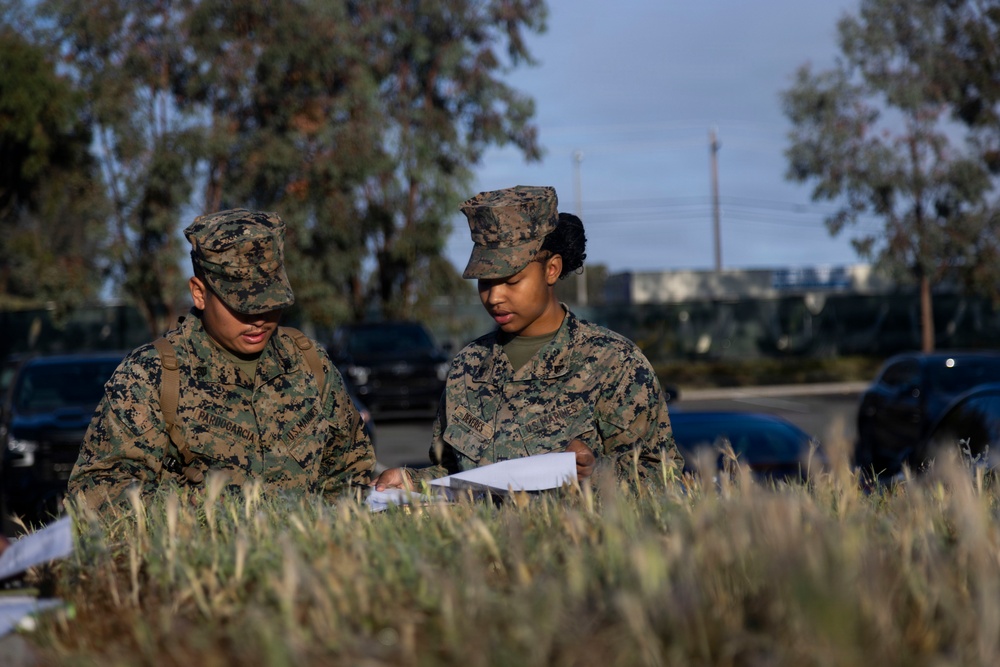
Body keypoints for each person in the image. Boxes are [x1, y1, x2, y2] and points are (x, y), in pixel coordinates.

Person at [374, 185, 683, 490]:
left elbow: (663, 478)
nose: (494, 296)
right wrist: (412, 481)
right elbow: (454, 476)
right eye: (485, 282)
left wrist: (595, 473)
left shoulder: (614, 363)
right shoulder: (467, 367)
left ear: (551, 269)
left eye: (511, 281)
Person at [69, 209, 375, 512]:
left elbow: (350, 472)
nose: (258, 319)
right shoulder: (149, 376)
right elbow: (97, 494)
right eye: (242, 305)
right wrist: (215, 511)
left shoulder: (309, 363)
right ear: (200, 294)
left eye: (269, 303)